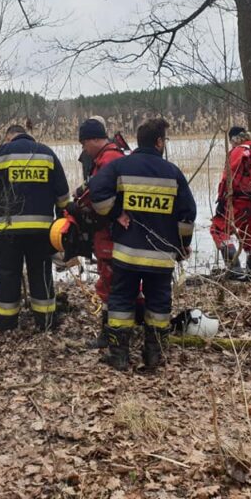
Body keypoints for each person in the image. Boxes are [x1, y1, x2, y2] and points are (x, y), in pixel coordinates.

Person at [89, 118, 196, 371]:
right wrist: (182, 246)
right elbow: (187, 215)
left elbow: (96, 193)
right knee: (158, 305)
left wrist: (116, 212)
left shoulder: (121, 166)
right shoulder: (173, 173)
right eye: (164, 140)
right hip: (161, 257)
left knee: (120, 302)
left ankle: (119, 355)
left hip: (126, 255)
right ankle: (153, 356)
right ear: (158, 142)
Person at [0, 124, 70, 331]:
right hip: (42, 231)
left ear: (9, 137)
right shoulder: (47, 153)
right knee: (41, 273)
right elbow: (63, 195)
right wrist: (61, 224)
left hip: (9, 230)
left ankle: (6, 323)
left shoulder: (3, 152)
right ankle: (45, 321)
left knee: (8, 274)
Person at [69, 119, 127, 348]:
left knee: (111, 282)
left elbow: (99, 193)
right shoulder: (106, 158)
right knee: (108, 281)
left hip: (110, 231)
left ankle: (113, 334)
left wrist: (80, 207)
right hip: (106, 230)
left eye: (84, 144)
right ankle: (115, 331)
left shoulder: (109, 159)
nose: (84, 149)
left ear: (94, 139)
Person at [210, 126, 251, 280]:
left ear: (234, 139)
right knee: (249, 234)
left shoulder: (240, 151)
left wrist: (222, 200)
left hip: (240, 200)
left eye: (231, 142)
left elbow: (229, 178)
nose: (231, 145)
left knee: (218, 229)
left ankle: (234, 268)